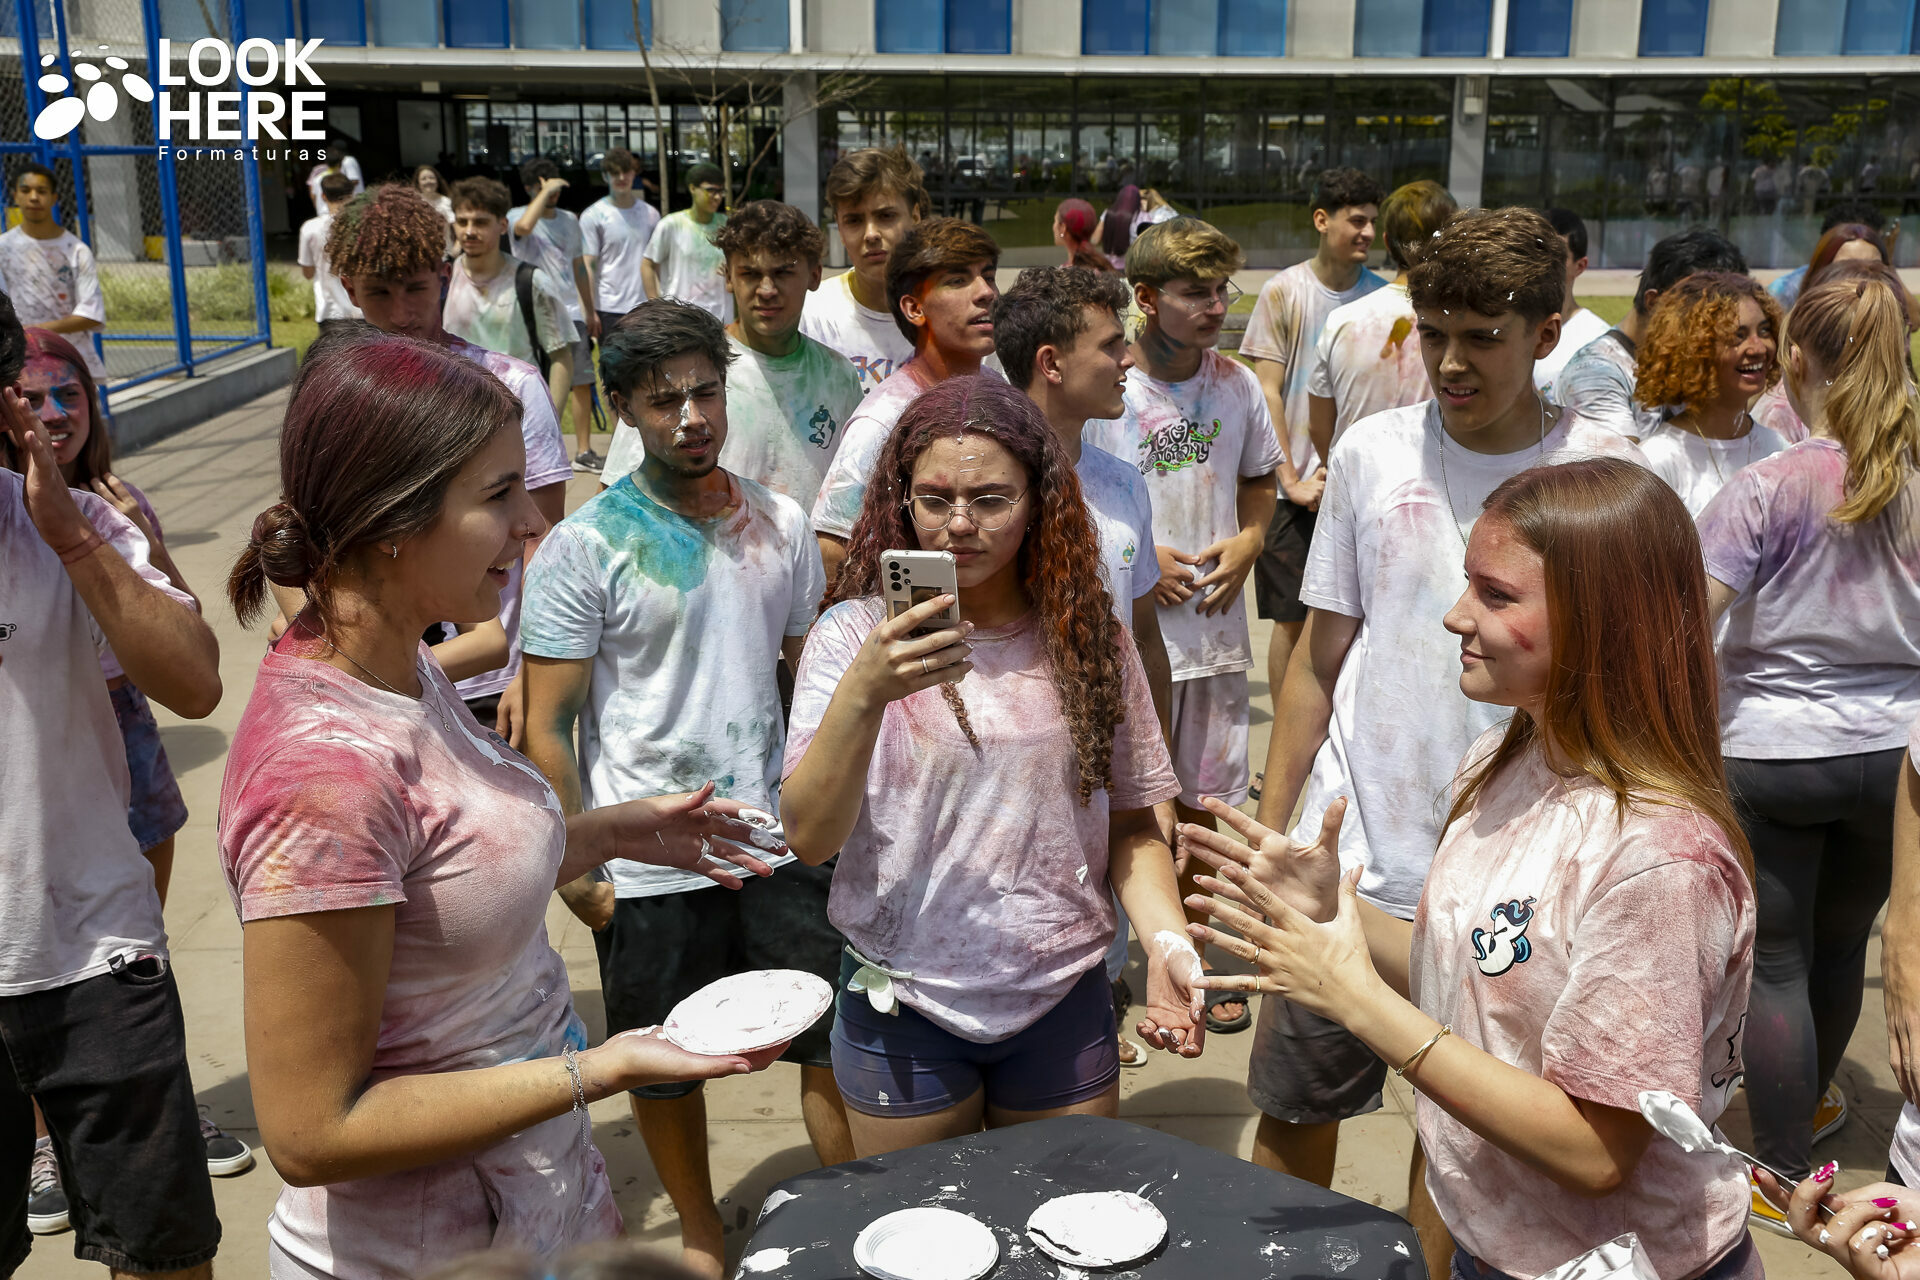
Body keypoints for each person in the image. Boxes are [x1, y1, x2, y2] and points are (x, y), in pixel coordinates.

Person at [219, 331, 787, 1280]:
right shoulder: (321, 777)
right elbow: (312, 1131)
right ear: (392, 517)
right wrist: (603, 1068)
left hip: (533, 1218)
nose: (533, 523)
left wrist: (612, 832)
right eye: (499, 494)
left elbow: (443, 884)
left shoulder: (399, 664)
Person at [1184, 456, 1759, 1280]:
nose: (1456, 615)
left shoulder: (1660, 862)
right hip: (1494, 1249)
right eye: (1467, 584)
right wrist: (1331, 914)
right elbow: (1477, 970)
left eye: (1496, 595)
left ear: (1601, 621)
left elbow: (1596, 1150)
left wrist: (1356, 1000)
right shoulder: (1499, 759)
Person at [1246, 209, 1644, 1271]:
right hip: (1352, 863)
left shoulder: (1602, 475)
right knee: (1295, 1105)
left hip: (1506, 885)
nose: (1452, 360)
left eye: (1482, 336)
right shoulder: (1372, 453)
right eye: (1433, 333)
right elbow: (1317, 660)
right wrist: (1274, 832)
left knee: (1460, 1135)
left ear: (1548, 333)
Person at [781, 375, 1205, 1157]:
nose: (958, 525)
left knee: (1061, 1217)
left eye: (990, 499)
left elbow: (1134, 825)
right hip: (904, 1003)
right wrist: (865, 693)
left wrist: (1168, 944)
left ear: (1039, 502)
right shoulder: (850, 638)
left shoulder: (1090, 638)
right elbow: (809, 837)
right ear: (901, 500)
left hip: (1062, 996)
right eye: (934, 498)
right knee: (918, 1223)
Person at [521, 300, 849, 1280]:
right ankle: (702, 1230)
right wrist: (578, 872)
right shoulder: (585, 545)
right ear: (623, 407)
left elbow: (808, 679)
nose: (693, 416)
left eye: (707, 392)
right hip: (648, 862)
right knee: (664, 1065)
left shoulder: (781, 523)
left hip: (777, 841)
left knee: (835, 1036)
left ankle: (855, 1200)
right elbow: (547, 724)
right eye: (665, 401)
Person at [1, 289, 226, 1277]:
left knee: (165, 1250)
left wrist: (75, 539)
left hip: (95, 952)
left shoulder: (69, 523)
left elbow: (195, 682)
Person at [1696, 268, 1920, 1230]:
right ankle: (1818, 1117)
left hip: (1774, 752)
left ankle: (1781, 1165)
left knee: (1777, 961)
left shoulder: (1770, 484)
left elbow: (1688, 615)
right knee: (1841, 943)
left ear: (1796, 359)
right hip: (1899, 764)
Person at [1083, 216, 1281, 1038]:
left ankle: (1204, 957)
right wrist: (1141, 560)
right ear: (1145, 297)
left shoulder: (1237, 385)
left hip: (1216, 639)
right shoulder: (1111, 390)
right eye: (1195, 292)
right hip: (1129, 644)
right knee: (1116, 806)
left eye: (1221, 291)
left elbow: (1262, 480)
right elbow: (1076, 490)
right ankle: (1102, 966)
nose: (1216, 307)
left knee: (1209, 811)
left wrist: (1250, 539)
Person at [994, 264, 1178, 1068]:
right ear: (1051, 362)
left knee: (1088, 986)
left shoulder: (1122, 486)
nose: (1129, 359)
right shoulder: (972, 491)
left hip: (1101, 794)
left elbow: (1146, 643)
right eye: (1110, 345)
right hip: (998, 796)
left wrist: (1155, 789)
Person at [323, 184, 573, 744]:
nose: (401, 313)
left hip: (493, 687)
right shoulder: (342, 399)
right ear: (349, 289)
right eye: (379, 292)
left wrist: (535, 667)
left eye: (415, 288)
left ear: (443, 275)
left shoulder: (510, 386)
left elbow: (543, 538)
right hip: (373, 685)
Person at [1240, 168, 1385, 740]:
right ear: (1322, 220)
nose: (1368, 231)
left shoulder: (1383, 298)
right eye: (1357, 219)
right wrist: (1290, 478)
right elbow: (1267, 390)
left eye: (1373, 221)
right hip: (1294, 490)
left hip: (1360, 487)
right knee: (1291, 623)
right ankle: (1288, 746)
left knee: (1355, 621)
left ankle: (1337, 741)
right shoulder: (1284, 292)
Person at [602, 200, 862, 512]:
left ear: (815, 275)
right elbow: (617, 493)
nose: (766, 289)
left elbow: (853, 489)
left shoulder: (838, 375)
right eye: (750, 273)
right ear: (728, 277)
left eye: (783, 272)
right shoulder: (687, 371)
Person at [810, 218, 1001, 582]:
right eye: (957, 280)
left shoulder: (1001, 397)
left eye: (988, 276)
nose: (985, 292)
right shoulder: (884, 421)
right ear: (915, 308)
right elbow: (831, 551)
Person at [1304, 178, 1457, 455]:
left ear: (1386, 241)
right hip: (1439, 476)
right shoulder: (1467, 323)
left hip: (1356, 475)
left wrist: (1340, 468)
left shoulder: (1341, 321)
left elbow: (1319, 427)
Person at [1554, 228, 1748, 440]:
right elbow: (1621, 460)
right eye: (1700, 314)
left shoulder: (1689, 365)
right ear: (1655, 303)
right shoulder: (1593, 374)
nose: (1712, 329)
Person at [1632, 272, 1789, 516]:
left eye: (1764, 331)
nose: (1758, 348)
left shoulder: (1778, 448)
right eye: (1738, 336)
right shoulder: (1657, 460)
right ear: (1695, 350)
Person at [445, 176, 577, 421]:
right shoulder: (441, 279)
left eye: (481, 222)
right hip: (456, 420)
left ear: (503, 225)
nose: (469, 231)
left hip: (517, 420)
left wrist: (550, 423)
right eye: (462, 222)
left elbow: (561, 357)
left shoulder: (531, 281)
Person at [802, 147, 928, 392]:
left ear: (915, 217)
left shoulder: (949, 313)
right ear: (839, 228)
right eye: (854, 220)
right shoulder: (811, 316)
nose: (871, 234)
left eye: (886, 216)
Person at [512, 157, 602, 473]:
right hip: (531, 313)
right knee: (529, 383)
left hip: (570, 311)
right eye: (544, 186)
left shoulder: (569, 220)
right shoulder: (516, 216)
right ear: (530, 188)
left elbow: (579, 266)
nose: (553, 192)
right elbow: (524, 228)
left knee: (581, 381)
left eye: (555, 185)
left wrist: (589, 309)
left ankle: (584, 451)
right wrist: (544, 191)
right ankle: (528, 449)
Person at [0, 162, 105, 380]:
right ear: (15, 196)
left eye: (41, 191)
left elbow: (91, 315)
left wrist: (33, 331)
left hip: (70, 361)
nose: (34, 197)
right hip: (22, 365)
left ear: (54, 198)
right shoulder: (4, 248)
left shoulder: (76, 251)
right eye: (26, 190)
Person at [581, 146, 661, 337]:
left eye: (626, 171)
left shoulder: (651, 214)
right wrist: (590, 311)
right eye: (615, 173)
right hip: (608, 308)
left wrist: (658, 303)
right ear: (605, 176)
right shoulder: (593, 216)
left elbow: (656, 265)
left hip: (644, 307)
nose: (621, 177)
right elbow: (588, 266)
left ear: (634, 173)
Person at [1530, 208, 1611, 394]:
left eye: (1556, 256)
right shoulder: (1504, 329)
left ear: (1580, 266)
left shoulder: (1597, 343)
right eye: (1536, 251)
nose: (1542, 264)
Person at [643, 164, 730, 324]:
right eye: (710, 190)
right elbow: (647, 265)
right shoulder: (672, 224)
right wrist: (656, 309)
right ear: (692, 188)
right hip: (679, 319)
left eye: (721, 191)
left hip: (719, 317)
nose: (717, 197)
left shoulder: (726, 225)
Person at [1768, 200, 1888, 311]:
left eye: (1874, 266)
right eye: (1847, 266)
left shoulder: (1886, 294)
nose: (1862, 277)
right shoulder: (1784, 294)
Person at [298, 170, 363, 331]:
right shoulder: (363, 224)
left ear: (323, 196)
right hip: (364, 309)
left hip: (329, 312)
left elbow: (307, 273)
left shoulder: (310, 228)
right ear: (352, 195)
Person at [1054, 198, 1113, 273]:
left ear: (1063, 228)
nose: (1054, 226)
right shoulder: (1102, 267)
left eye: (1055, 221)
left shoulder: (1067, 274)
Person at [305, 143, 364, 214]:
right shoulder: (339, 179)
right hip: (336, 213)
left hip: (322, 213)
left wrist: (317, 209)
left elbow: (313, 196)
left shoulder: (316, 179)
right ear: (339, 163)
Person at [1098, 184, 1143, 270]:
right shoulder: (1140, 217)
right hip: (1130, 268)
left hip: (1108, 267)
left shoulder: (1108, 214)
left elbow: (1094, 240)